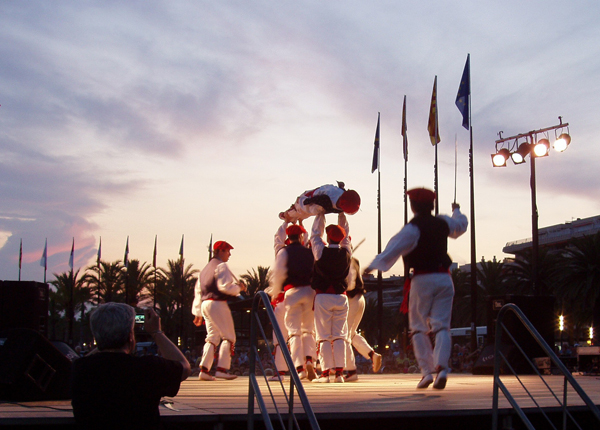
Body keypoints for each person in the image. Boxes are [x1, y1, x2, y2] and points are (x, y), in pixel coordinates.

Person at [364, 188, 467, 390]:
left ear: (412, 206)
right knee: (442, 326)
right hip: (445, 278)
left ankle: (427, 373)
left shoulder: (412, 229)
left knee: (419, 328)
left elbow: (393, 249)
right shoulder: (443, 222)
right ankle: (443, 368)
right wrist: (456, 210)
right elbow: (460, 226)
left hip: (422, 279)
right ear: (432, 205)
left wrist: (372, 266)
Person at [71, 303, 191, 430]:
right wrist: (156, 332)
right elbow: (184, 367)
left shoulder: (80, 369)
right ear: (130, 337)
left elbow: (87, 358)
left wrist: (105, 339)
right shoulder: (148, 368)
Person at [192, 240, 247, 381]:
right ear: (220, 251)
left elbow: (198, 291)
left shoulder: (205, 269)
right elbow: (224, 287)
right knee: (229, 337)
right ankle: (222, 369)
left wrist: (197, 312)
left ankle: (204, 370)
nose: (229, 254)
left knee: (212, 337)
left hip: (205, 304)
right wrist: (239, 288)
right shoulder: (221, 266)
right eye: (228, 251)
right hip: (218, 303)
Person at [271, 220, 317, 380]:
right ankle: (310, 359)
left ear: (289, 237)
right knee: (308, 329)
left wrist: (275, 292)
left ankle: (299, 368)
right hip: (309, 291)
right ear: (301, 236)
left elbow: (279, 274)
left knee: (294, 331)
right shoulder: (309, 252)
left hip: (292, 292)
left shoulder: (284, 252)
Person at [310, 212, 351, 383]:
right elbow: (346, 233)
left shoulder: (320, 252)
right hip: (341, 297)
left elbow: (314, 235)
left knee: (324, 335)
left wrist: (320, 214)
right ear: (341, 238)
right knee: (340, 335)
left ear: (328, 237)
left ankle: (326, 373)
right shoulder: (347, 252)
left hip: (323, 296)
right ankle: (340, 374)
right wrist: (342, 214)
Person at [344, 256, 382, 381]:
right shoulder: (354, 259)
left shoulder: (343, 259)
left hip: (351, 298)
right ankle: (372, 354)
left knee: (345, 336)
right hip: (360, 298)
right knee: (352, 334)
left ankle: (351, 371)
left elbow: (349, 285)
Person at [279, 182, 361, 223]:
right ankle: (285, 214)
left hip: (314, 208)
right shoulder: (325, 199)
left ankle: (299, 219)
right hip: (306, 200)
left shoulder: (342, 196)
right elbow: (314, 194)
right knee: (294, 213)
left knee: (304, 215)